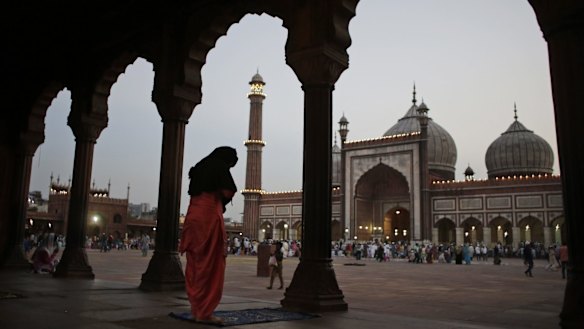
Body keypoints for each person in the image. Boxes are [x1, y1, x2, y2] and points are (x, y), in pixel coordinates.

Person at [179, 146, 237, 325]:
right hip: (209, 216)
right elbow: (228, 190)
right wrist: (222, 201)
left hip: (193, 216)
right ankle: (205, 312)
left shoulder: (200, 167)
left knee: (195, 263)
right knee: (211, 265)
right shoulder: (219, 167)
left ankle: (197, 308)